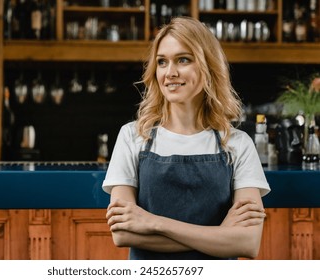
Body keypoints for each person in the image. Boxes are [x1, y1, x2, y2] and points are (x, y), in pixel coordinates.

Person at [102, 16, 270, 260]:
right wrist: (220, 235)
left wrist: (152, 222)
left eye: (183, 60)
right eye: (162, 62)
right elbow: (123, 234)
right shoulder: (133, 136)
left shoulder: (237, 143)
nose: (170, 73)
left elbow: (247, 243)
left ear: (207, 66)